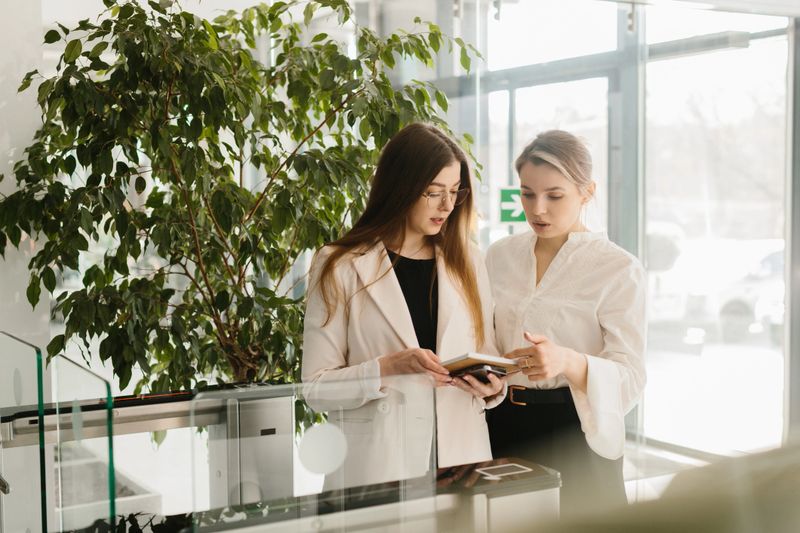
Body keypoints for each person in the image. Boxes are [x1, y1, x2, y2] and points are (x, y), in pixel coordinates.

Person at [302, 123, 504, 488]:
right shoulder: (340, 264)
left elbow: (485, 353)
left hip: (460, 461)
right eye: (433, 192)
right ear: (400, 187)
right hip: (378, 467)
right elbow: (315, 390)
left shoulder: (469, 261)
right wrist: (385, 368)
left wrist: (493, 389)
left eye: (454, 192)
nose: (446, 205)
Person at [485, 130, 646, 517]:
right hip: (499, 425)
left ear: (587, 192)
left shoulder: (618, 269)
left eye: (554, 196)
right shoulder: (499, 256)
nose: (538, 209)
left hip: (576, 431)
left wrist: (568, 362)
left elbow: (632, 377)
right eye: (527, 193)